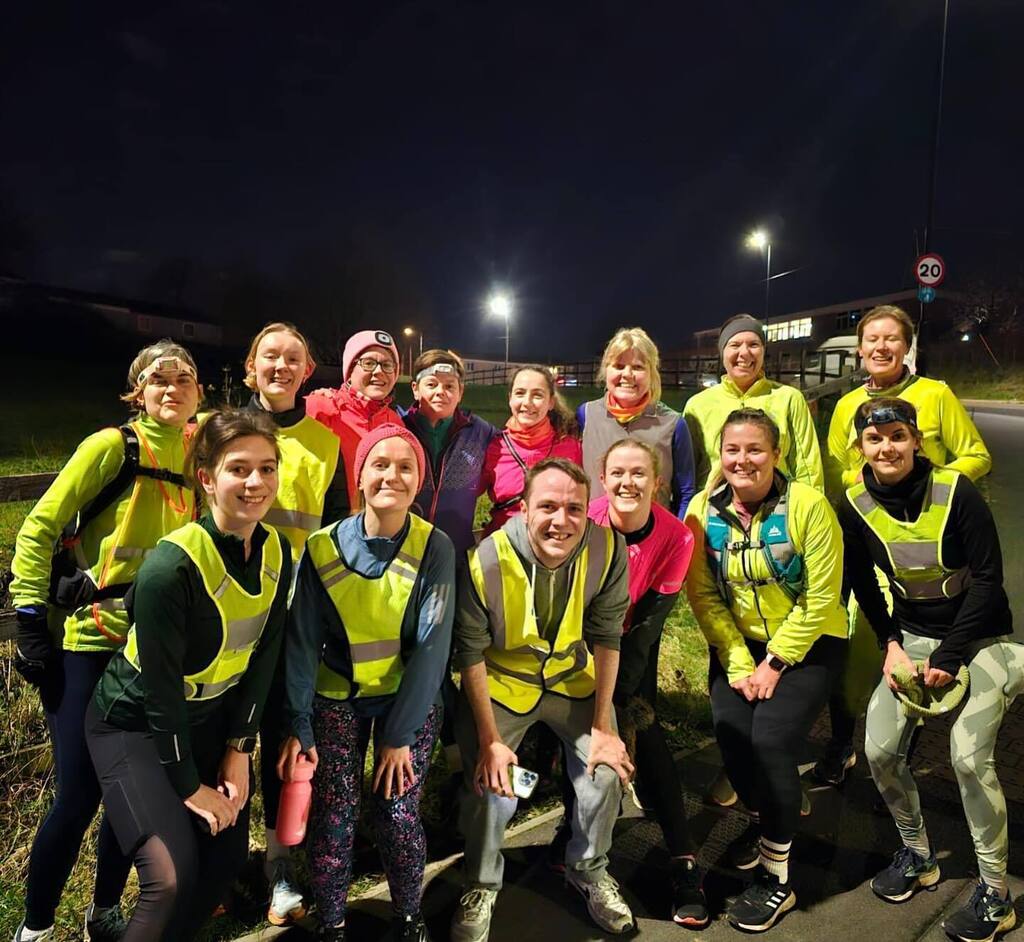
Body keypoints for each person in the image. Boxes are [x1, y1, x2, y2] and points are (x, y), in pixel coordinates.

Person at [9, 341, 202, 942]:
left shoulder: (200, 452)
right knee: (78, 794)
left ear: (200, 392)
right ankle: (35, 928)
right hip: (89, 643)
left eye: (184, 379)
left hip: (150, 651)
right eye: (158, 379)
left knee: (130, 792)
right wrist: (27, 615)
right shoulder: (111, 446)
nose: (171, 388)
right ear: (137, 392)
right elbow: (40, 524)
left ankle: (105, 913)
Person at [85, 409, 290, 941]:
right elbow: (159, 694)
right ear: (207, 478)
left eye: (267, 469)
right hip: (133, 725)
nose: (256, 483)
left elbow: (263, 654)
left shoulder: (277, 550)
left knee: (220, 865)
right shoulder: (169, 568)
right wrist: (189, 785)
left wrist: (240, 750)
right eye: (239, 469)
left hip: (209, 721)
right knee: (169, 876)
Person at [840, 398, 1019, 942]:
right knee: (877, 749)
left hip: (987, 636)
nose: (886, 447)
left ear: (916, 440)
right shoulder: (852, 502)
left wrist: (948, 656)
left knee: (967, 758)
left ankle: (996, 893)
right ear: (860, 448)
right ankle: (918, 854)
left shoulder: (958, 492)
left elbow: (988, 579)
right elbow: (863, 583)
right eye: (874, 440)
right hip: (913, 637)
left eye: (897, 436)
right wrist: (891, 644)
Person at [279, 424, 455, 942]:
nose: (391, 476)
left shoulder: (435, 547)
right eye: (380, 464)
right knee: (334, 818)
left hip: (406, 703)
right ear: (359, 476)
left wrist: (398, 738)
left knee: (398, 814)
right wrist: (298, 724)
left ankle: (408, 915)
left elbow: (431, 649)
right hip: (335, 702)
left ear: (418, 481)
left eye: (406, 467)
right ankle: (331, 923)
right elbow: (302, 644)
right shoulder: (321, 547)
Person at [450, 457, 636, 941]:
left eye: (575, 508)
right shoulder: (486, 559)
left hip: (573, 682)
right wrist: (490, 740)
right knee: (493, 785)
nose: (562, 520)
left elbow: (608, 635)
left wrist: (603, 728)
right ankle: (482, 883)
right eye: (548, 506)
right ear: (524, 509)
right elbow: (469, 652)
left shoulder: (607, 548)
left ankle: (589, 869)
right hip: (504, 688)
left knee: (605, 772)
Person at [685, 408, 847, 932]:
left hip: (810, 643)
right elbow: (705, 596)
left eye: (755, 449)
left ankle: (779, 879)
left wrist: (775, 662)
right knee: (733, 739)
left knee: (771, 742)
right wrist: (738, 662)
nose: (743, 459)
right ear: (720, 456)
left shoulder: (809, 506)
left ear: (777, 455)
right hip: (741, 647)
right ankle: (765, 821)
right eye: (732, 450)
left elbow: (822, 599)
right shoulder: (700, 510)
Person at [817, 304, 992, 786]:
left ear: (906, 346)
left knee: (910, 655)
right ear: (859, 349)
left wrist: (935, 486)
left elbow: (977, 454)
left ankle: (898, 761)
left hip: (923, 550)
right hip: (870, 540)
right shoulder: (846, 406)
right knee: (853, 651)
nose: (881, 347)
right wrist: (867, 482)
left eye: (892, 338)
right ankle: (840, 745)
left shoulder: (935, 394)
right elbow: (835, 468)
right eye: (871, 338)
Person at [241, 321, 344, 926]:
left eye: (293, 359)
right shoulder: (219, 431)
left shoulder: (325, 443)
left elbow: (331, 539)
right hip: (226, 613)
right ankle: (221, 870)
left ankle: (281, 873)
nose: (280, 367)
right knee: (218, 746)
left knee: (284, 745)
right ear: (252, 364)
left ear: (308, 372)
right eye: (269, 356)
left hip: (294, 618)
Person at [582, 440, 704, 926]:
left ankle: (684, 861)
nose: (627, 483)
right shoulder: (587, 519)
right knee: (556, 742)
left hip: (632, 642)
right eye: (618, 473)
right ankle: (563, 841)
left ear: (657, 482)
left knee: (643, 735)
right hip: (575, 642)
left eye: (639, 474)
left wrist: (614, 700)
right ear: (603, 478)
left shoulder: (676, 536)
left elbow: (650, 624)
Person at [683, 313, 822, 491]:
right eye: (735, 345)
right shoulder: (697, 405)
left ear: (763, 352)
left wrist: (811, 508)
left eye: (753, 345)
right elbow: (687, 475)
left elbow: (808, 467)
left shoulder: (789, 399)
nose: (744, 353)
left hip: (775, 508)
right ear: (722, 353)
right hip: (714, 509)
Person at [578, 326, 696, 517]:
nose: (627, 374)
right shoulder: (586, 415)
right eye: (618, 366)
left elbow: (686, 492)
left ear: (652, 374)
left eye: (638, 367)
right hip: (598, 534)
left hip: (653, 537)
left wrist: (677, 539)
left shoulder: (673, 424)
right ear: (605, 370)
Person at [401, 348, 497, 560]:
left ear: (460, 392)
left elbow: (517, 444)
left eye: (449, 386)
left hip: (456, 555)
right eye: (432, 384)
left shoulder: (480, 431)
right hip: (402, 552)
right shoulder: (397, 428)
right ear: (416, 390)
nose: (440, 391)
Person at [306, 328, 404, 517]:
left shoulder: (396, 423)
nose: (378, 371)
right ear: (350, 370)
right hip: (323, 531)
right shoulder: (319, 408)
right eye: (368, 363)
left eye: (387, 365)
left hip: (374, 533)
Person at [480, 364, 581, 535]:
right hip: (505, 546)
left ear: (551, 402)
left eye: (537, 395)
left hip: (555, 544)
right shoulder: (493, 447)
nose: (527, 402)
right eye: (520, 393)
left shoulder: (571, 447)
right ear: (510, 398)